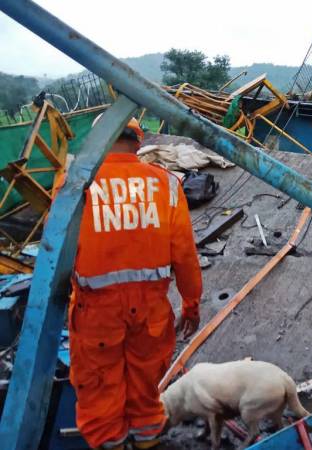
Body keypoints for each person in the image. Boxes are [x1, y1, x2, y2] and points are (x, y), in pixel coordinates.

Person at [67, 116, 202, 450]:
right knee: (145, 388)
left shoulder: (74, 184)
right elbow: (184, 253)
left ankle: (111, 443)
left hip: (95, 311)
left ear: (98, 139)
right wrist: (191, 303)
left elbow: (56, 251)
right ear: (139, 143)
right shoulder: (166, 184)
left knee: (99, 390)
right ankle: (147, 441)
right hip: (151, 310)